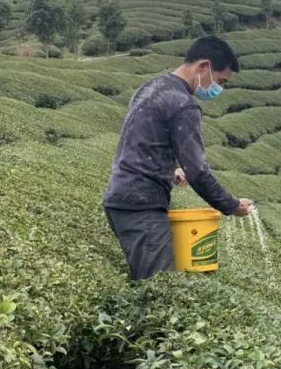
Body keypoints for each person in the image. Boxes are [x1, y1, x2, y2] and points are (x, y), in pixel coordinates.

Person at [103, 35, 255, 279]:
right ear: (203, 67)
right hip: (142, 205)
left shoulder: (151, 86)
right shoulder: (183, 104)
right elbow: (198, 171)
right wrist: (232, 205)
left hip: (121, 197)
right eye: (220, 80)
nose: (219, 88)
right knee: (159, 287)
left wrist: (170, 168)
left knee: (148, 280)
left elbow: (142, 139)